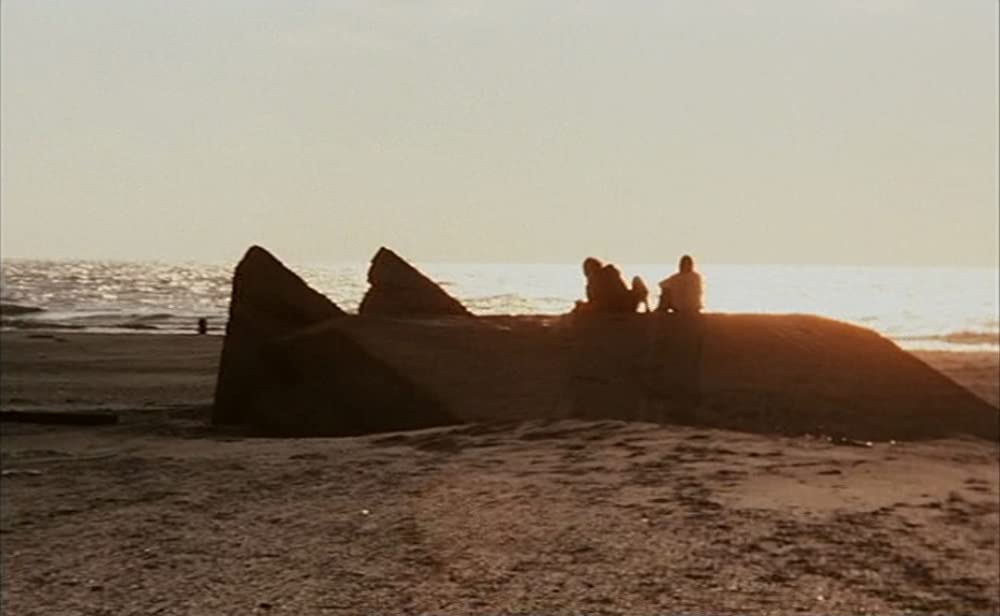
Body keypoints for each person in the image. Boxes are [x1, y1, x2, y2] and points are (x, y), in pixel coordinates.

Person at [576, 257, 648, 313]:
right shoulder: (598, 280)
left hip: (623, 306)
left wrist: (584, 307)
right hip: (623, 305)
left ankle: (646, 307)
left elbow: (603, 303)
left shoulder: (602, 278)